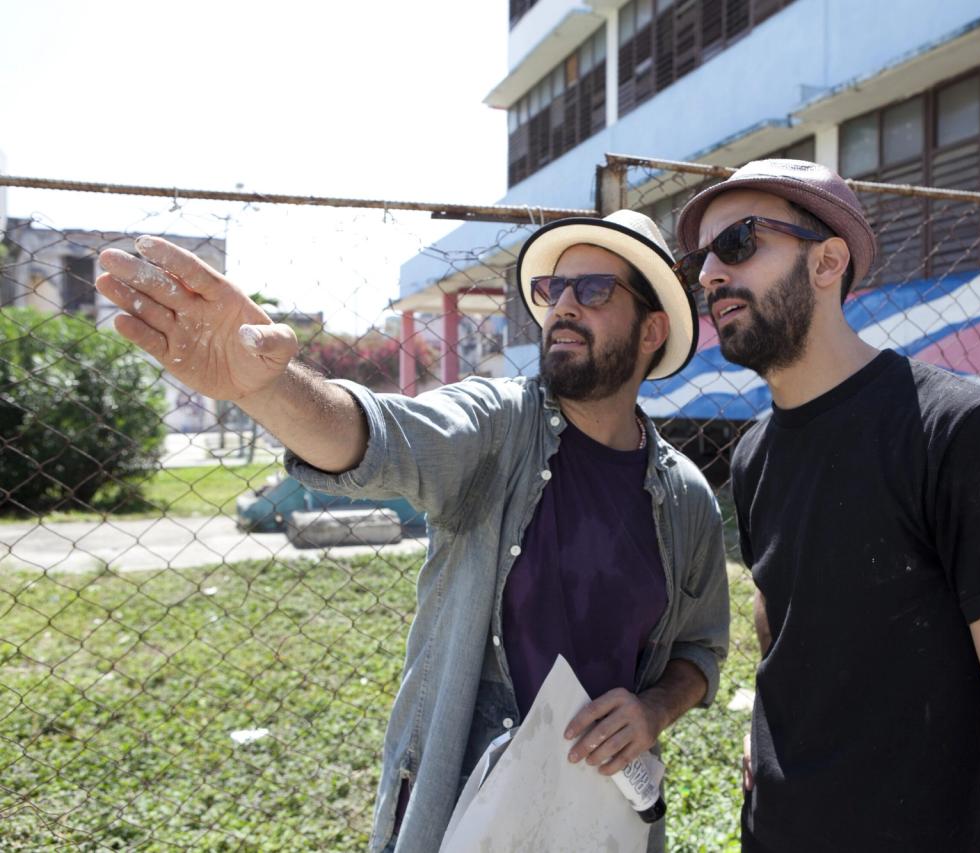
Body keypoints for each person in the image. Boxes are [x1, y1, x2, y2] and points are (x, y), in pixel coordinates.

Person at [95, 209, 731, 853]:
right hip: (464, 805)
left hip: (604, 818)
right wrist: (270, 389)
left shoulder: (685, 499)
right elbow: (380, 436)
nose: (563, 305)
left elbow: (701, 649)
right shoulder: (498, 425)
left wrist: (654, 710)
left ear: (653, 329)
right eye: (552, 289)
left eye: (593, 289)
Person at [672, 159, 980, 852]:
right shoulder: (752, 456)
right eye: (701, 257)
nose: (711, 273)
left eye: (738, 242)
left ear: (828, 261)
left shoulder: (957, 430)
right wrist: (759, 730)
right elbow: (780, 619)